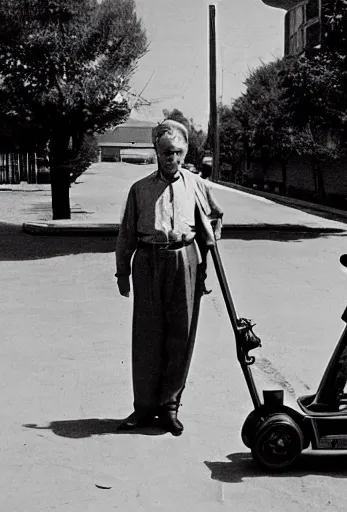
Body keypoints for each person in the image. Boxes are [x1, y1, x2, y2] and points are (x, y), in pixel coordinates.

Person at [115, 119, 223, 435]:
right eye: (165, 152)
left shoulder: (197, 185)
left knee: (181, 335)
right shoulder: (140, 190)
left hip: (185, 259)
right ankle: (144, 408)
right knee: (148, 336)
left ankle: (170, 406)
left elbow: (216, 217)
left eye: (176, 152)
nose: (171, 158)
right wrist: (122, 272)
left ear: (184, 152)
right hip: (148, 260)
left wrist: (204, 259)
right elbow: (126, 234)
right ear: (156, 153)